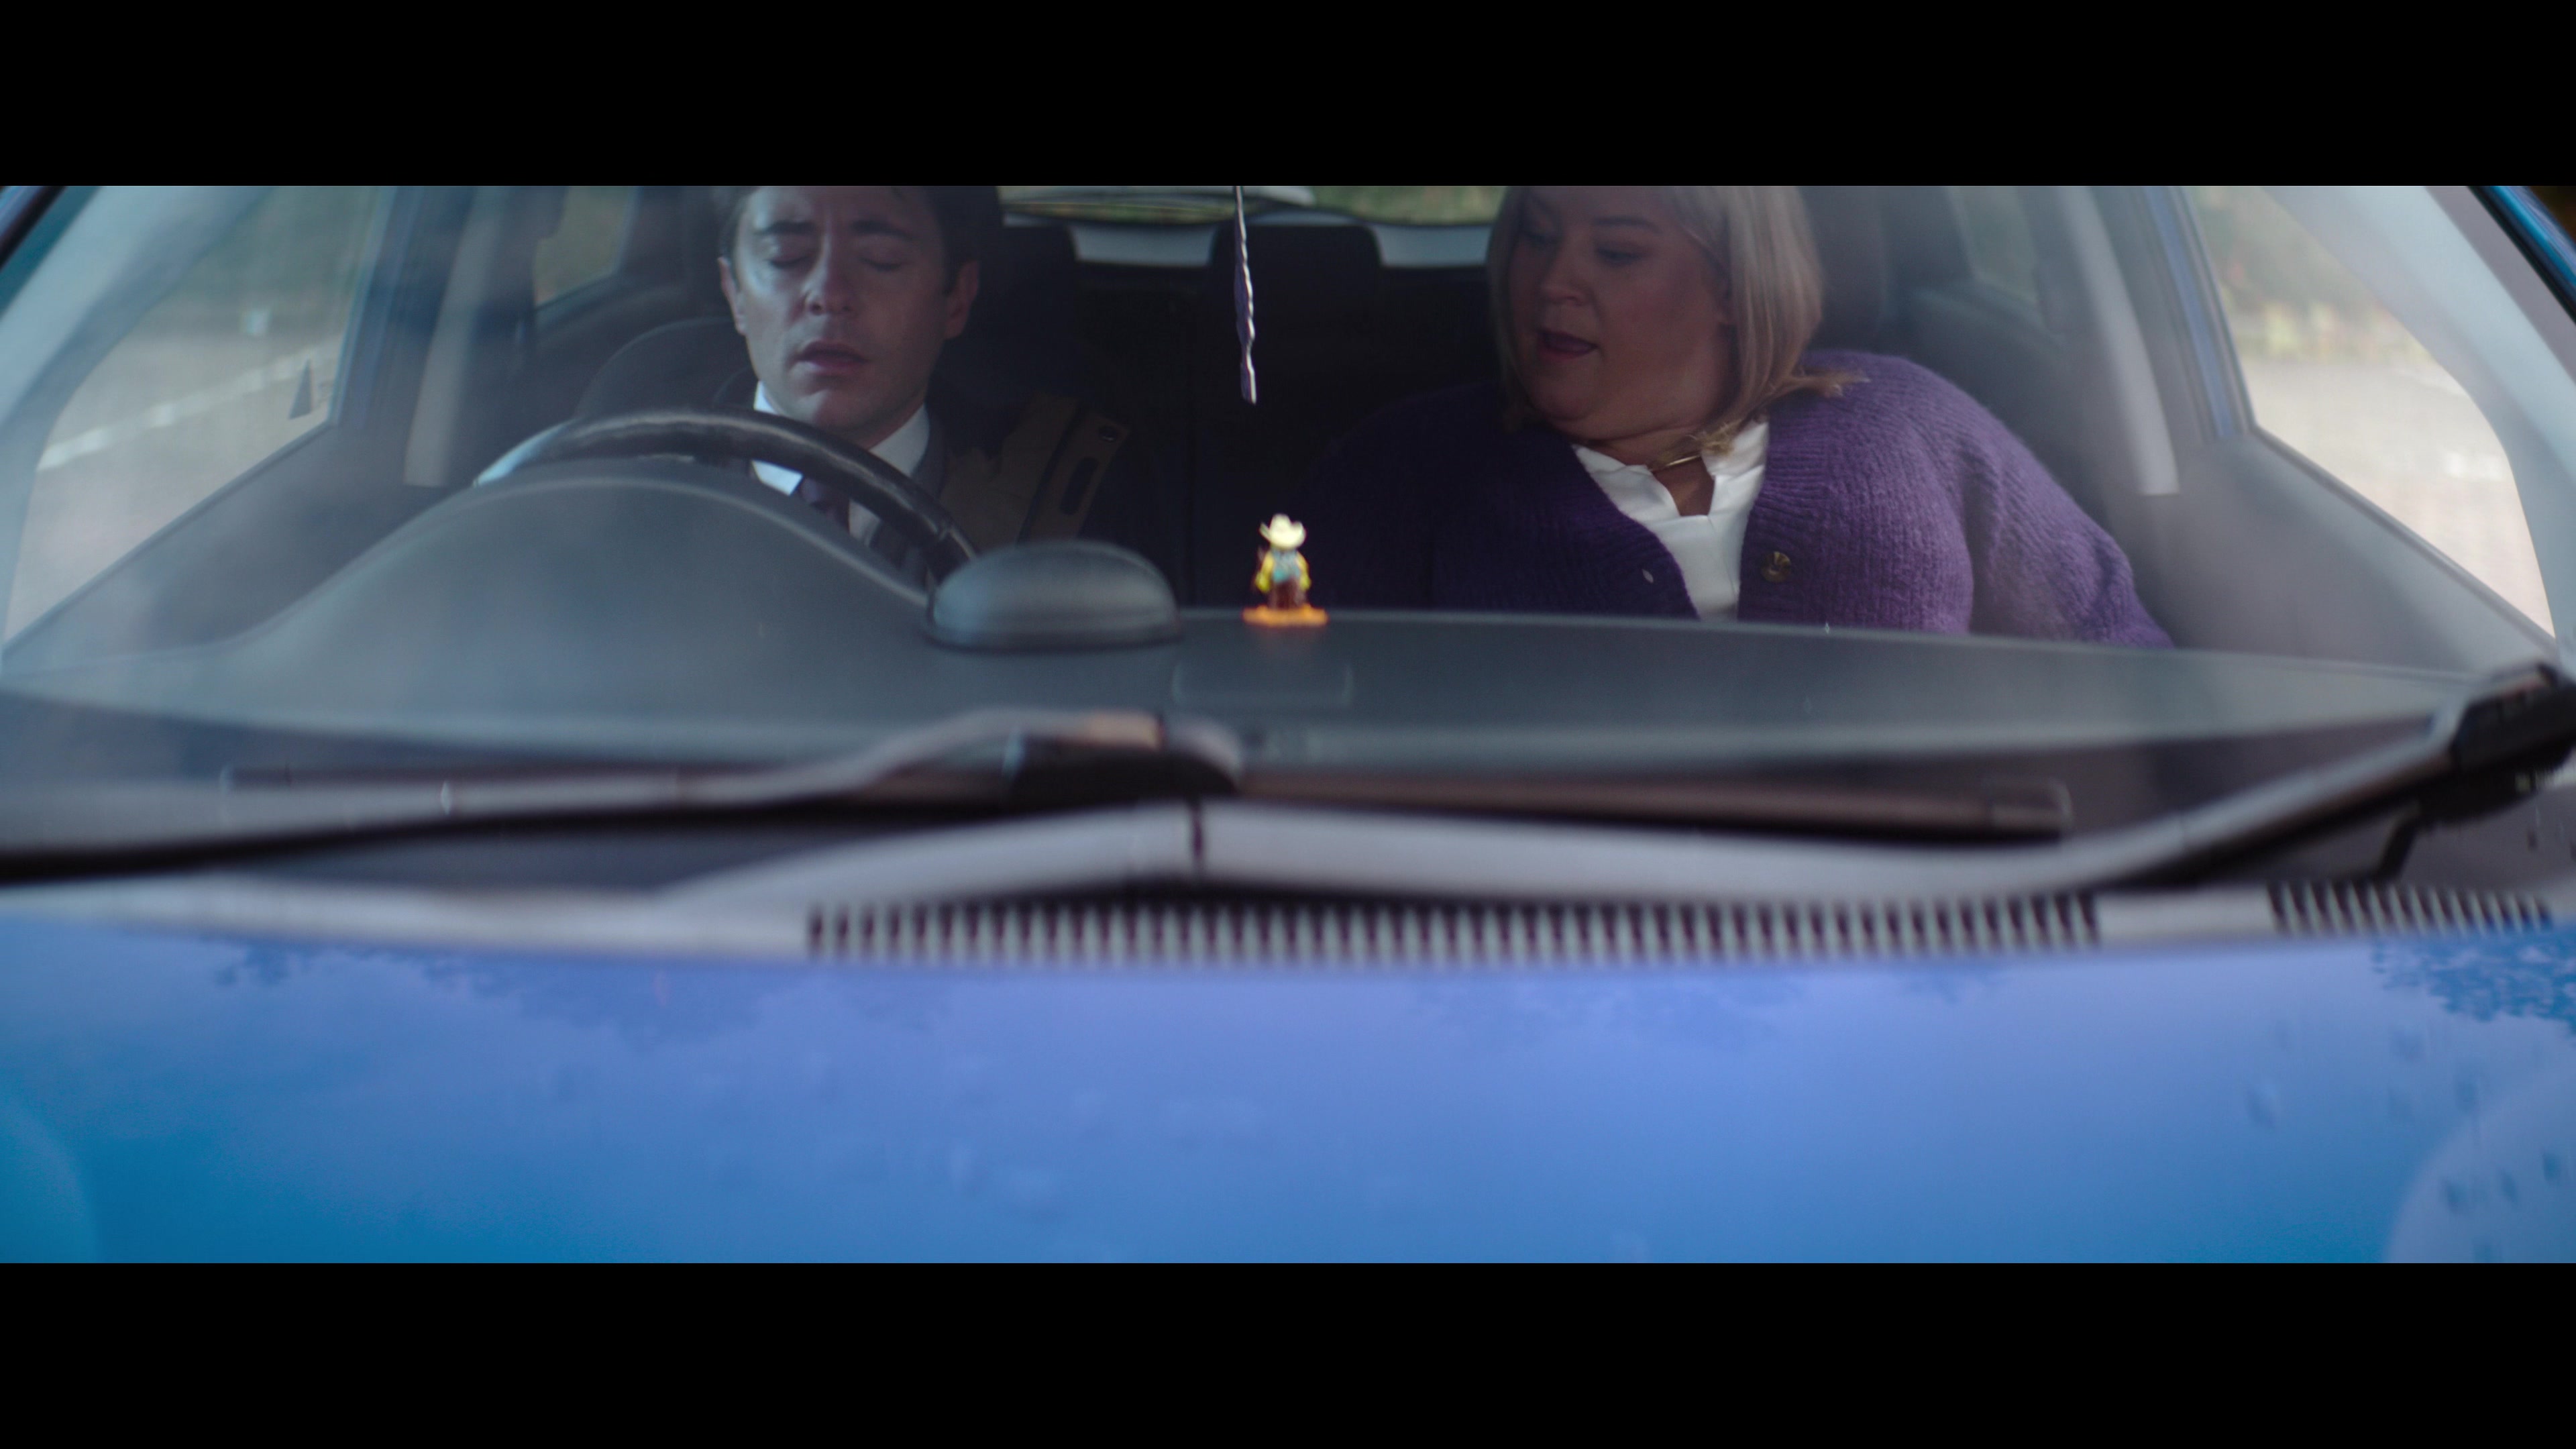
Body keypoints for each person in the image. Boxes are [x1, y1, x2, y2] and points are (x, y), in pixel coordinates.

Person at [1293, 186, 2169, 646]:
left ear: (1730, 284)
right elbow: (1289, 731)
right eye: (1537, 234)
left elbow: (2122, 666)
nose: (1553, 281)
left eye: (1617, 251)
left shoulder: (1912, 424)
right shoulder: (1401, 471)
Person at [587, 186, 1161, 580]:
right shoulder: (627, 481)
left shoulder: (1062, 497)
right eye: (786, 257)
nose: (829, 294)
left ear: (957, 298)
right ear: (734, 292)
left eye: (881, 258)